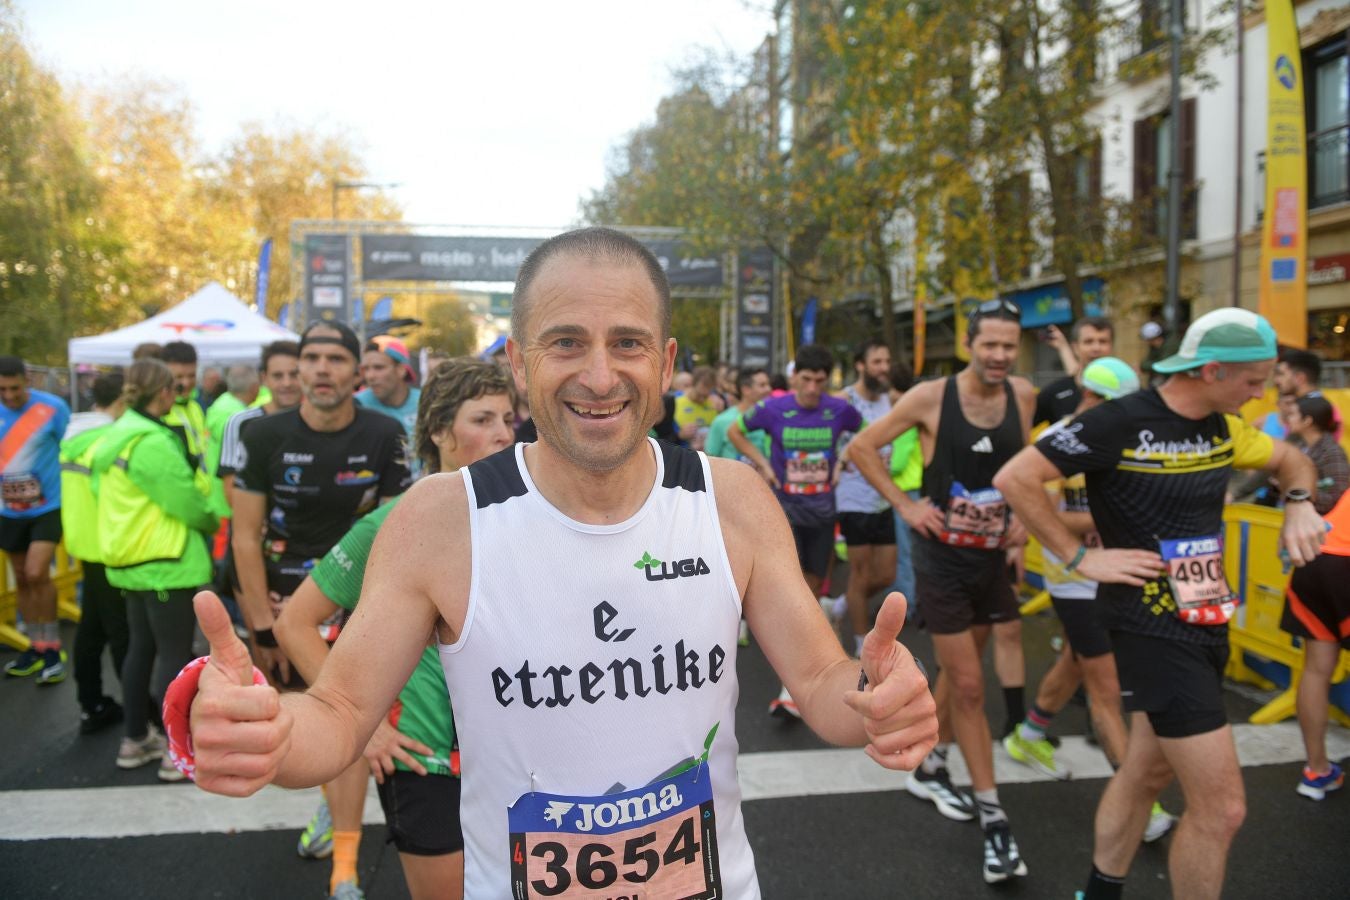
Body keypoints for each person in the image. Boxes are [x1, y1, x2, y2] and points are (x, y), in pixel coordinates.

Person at [176, 226, 937, 900]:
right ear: (517, 362)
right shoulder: (442, 520)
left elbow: (819, 685)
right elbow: (339, 716)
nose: (600, 376)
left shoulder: (728, 500)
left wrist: (877, 697)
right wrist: (266, 731)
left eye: (628, 343)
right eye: (566, 342)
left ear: (666, 362)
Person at [993, 307, 1326, 900]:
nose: (1260, 396)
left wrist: (1299, 500)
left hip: (1205, 616)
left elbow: (1289, 459)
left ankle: (1099, 891)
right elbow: (1017, 477)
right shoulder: (1119, 421)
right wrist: (1075, 558)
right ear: (1211, 370)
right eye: (1253, 382)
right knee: (1222, 810)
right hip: (1148, 621)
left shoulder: (1224, 427)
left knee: (1146, 770)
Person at [277, 358, 515, 900]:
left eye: (507, 418)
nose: (502, 433)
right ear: (438, 432)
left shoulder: (526, 521)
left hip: (507, 753)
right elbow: (295, 622)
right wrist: (369, 730)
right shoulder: (394, 523)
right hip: (423, 759)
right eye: (482, 419)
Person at [850, 299, 1035, 884]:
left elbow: (1023, 465)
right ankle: (995, 820)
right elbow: (860, 447)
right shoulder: (932, 396)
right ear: (970, 343)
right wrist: (906, 506)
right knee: (973, 688)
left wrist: (1024, 522)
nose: (1001, 356)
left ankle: (933, 765)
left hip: (989, 560)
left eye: (1010, 345)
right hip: (941, 561)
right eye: (990, 345)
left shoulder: (1023, 397)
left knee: (963, 674)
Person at [232, 320, 410, 900]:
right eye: (312, 357)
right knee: (307, 727)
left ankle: (346, 869)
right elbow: (244, 536)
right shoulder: (263, 435)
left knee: (344, 726)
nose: (322, 369)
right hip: (286, 605)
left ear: (356, 372)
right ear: (297, 368)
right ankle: (334, 806)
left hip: (358, 601)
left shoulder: (384, 434)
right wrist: (261, 626)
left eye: (336, 358)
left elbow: (392, 535)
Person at [90, 359, 219, 779]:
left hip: (132, 563)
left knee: (139, 651)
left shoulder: (117, 436)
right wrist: (210, 519)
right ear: (163, 392)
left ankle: (135, 738)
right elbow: (186, 502)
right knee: (173, 656)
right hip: (166, 563)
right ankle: (172, 749)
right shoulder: (152, 441)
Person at [729, 343, 864, 717]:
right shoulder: (774, 409)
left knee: (810, 587)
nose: (811, 389)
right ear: (794, 378)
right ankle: (796, 684)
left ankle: (808, 667)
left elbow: (863, 435)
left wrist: (843, 462)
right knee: (797, 591)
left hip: (821, 513)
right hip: (783, 513)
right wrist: (763, 465)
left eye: (819, 382)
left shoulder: (838, 410)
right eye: (805, 380)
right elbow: (739, 431)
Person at [61, 372, 131, 733]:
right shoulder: (109, 440)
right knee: (121, 634)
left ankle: (91, 703)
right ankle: (142, 717)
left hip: (86, 546)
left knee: (91, 630)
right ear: (121, 401)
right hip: (110, 547)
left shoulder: (74, 435)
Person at [0, 355, 71, 684]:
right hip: (9, 511)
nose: (10, 395)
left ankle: (53, 647)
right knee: (21, 577)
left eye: (15, 388)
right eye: (2, 389)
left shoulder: (53, 408)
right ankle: (35, 646)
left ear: (26, 380)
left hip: (47, 507)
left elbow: (70, 450)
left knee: (36, 572)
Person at [833, 339, 897, 656]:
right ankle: (861, 645)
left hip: (883, 498)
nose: (884, 368)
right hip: (853, 499)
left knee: (886, 574)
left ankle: (842, 604)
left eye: (886, 362)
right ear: (861, 365)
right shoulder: (844, 400)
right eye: (877, 362)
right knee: (859, 575)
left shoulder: (891, 399)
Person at [216, 341, 302, 508]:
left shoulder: (319, 421)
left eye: (294, 374)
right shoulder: (241, 422)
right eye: (278, 376)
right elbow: (231, 489)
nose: (287, 383)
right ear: (264, 378)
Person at [1035, 317, 1114, 428]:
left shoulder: (1127, 392)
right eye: (1088, 342)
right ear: (1075, 348)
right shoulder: (1054, 392)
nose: (1096, 348)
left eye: (1103, 341)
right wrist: (1075, 419)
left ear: (1111, 347)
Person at [1281, 394, 1349, 515]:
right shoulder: (1299, 445)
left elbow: (1338, 500)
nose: (1288, 419)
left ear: (1307, 421)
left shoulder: (1332, 453)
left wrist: (1295, 489)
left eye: (1292, 414)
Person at [357, 335, 421, 437]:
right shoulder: (356, 404)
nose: (370, 376)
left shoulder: (426, 403)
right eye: (366, 369)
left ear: (401, 370)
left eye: (378, 367)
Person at [703, 367, 771, 463]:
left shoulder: (771, 418)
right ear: (746, 389)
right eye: (762, 385)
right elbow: (709, 460)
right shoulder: (722, 421)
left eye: (768, 384)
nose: (768, 389)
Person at [672, 366, 721, 450]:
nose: (702, 399)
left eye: (706, 396)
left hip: (706, 456)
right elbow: (662, 435)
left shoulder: (715, 403)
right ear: (692, 384)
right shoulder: (675, 400)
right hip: (681, 453)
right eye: (699, 394)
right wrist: (679, 435)